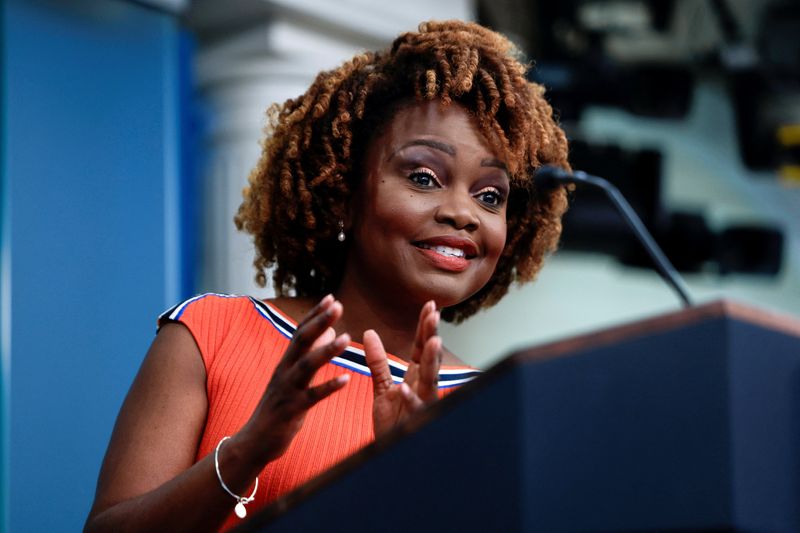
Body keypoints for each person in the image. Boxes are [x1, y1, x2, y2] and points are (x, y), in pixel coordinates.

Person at [85, 20, 570, 532]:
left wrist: (407, 480)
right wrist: (249, 451)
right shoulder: (211, 334)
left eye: (490, 195)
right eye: (424, 177)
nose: (463, 213)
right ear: (343, 196)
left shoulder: (489, 407)